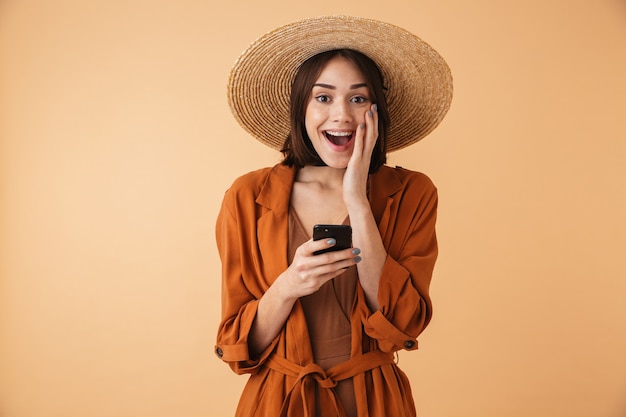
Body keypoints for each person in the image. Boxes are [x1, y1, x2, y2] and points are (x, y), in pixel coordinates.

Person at [215, 15, 453, 417]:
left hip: (375, 401)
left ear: (375, 111)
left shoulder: (412, 192)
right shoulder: (247, 196)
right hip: (279, 401)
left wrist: (358, 202)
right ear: (302, 109)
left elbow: (404, 324)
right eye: (323, 97)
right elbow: (237, 345)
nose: (341, 115)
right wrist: (288, 284)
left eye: (358, 99)